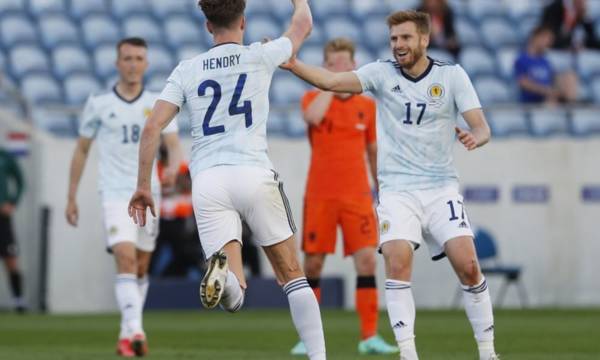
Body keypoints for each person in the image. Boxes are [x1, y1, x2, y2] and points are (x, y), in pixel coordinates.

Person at [283, 10, 498, 360]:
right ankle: (408, 354)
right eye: (394, 38)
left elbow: (482, 126)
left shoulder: (452, 76)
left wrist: (477, 137)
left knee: (468, 265)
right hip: (397, 190)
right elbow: (333, 83)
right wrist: (295, 66)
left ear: (424, 40)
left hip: (441, 187)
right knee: (396, 261)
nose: (398, 45)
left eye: (405, 38)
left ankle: (488, 352)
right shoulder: (382, 74)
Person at [128, 1, 327, 359]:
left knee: (235, 298)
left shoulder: (187, 69)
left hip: (209, 182)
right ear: (244, 22)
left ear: (207, 26)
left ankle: (227, 281)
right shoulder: (260, 55)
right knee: (292, 276)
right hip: (253, 173)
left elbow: (152, 126)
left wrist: (143, 186)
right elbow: (303, 25)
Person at [66, 37, 182, 357]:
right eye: (127, 58)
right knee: (126, 258)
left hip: (150, 193)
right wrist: (71, 196)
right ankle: (137, 331)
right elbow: (81, 151)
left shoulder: (159, 102)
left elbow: (173, 144)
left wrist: (173, 168)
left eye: (138, 58)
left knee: (142, 268)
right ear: (117, 63)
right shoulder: (99, 103)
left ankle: (126, 332)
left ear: (146, 64)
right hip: (115, 194)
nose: (133, 64)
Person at [290, 37, 397, 356]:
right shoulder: (312, 97)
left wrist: (383, 189)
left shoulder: (367, 106)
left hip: (357, 196)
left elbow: (373, 151)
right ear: (325, 66)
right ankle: (307, 337)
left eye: (344, 64)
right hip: (320, 195)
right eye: (332, 64)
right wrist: (329, 84)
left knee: (367, 261)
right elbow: (312, 119)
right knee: (313, 265)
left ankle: (369, 336)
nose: (339, 69)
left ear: (353, 65)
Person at [515, 26, 579, 104]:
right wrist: (547, 91)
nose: (548, 43)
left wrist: (558, 89)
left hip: (548, 98)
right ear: (536, 37)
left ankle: (572, 106)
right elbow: (523, 83)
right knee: (552, 101)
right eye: (545, 39)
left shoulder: (545, 61)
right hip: (532, 102)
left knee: (570, 76)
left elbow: (552, 79)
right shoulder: (522, 59)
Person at [0, 147, 25, 313]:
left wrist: (12, 202)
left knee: (11, 258)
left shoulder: (5, 157)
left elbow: (20, 181)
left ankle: (18, 301)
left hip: (3, 218)